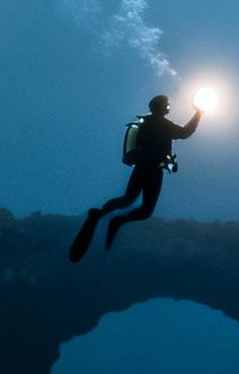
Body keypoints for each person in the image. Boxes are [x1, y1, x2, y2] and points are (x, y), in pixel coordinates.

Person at [68, 94, 203, 261]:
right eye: (167, 104)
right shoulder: (163, 124)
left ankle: (101, 214)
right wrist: (199, 113)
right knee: (146, 210)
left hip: (140, 168)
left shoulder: (144, 122)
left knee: (127, 199)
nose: (169, 107)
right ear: (161, 107)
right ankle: (117, 221)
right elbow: (184, 132)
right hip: (153, 170)